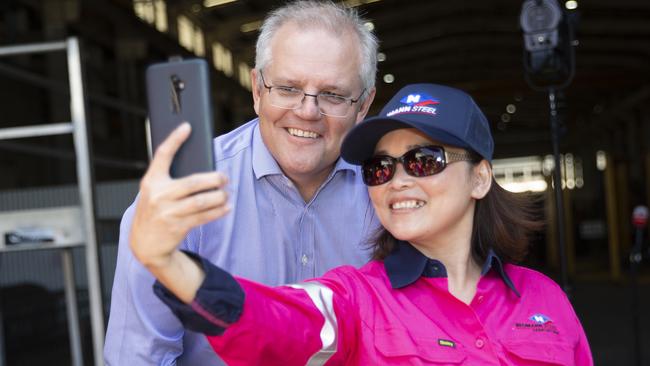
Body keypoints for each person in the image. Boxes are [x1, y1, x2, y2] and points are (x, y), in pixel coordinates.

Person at [131, 83, 594, 365]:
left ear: (480, 177)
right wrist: (168, 262)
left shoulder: (543, 298)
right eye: (380, 168)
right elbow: (272, 322)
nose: (397, 180)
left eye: (424, 160)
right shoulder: (355, 300)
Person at [104, 1, 378, 364]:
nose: (307, 112)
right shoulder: (186, 191)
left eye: (333, 95)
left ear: (363, 105)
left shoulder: (392, 190)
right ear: (257, 90)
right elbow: (138, 356)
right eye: (287, 87)